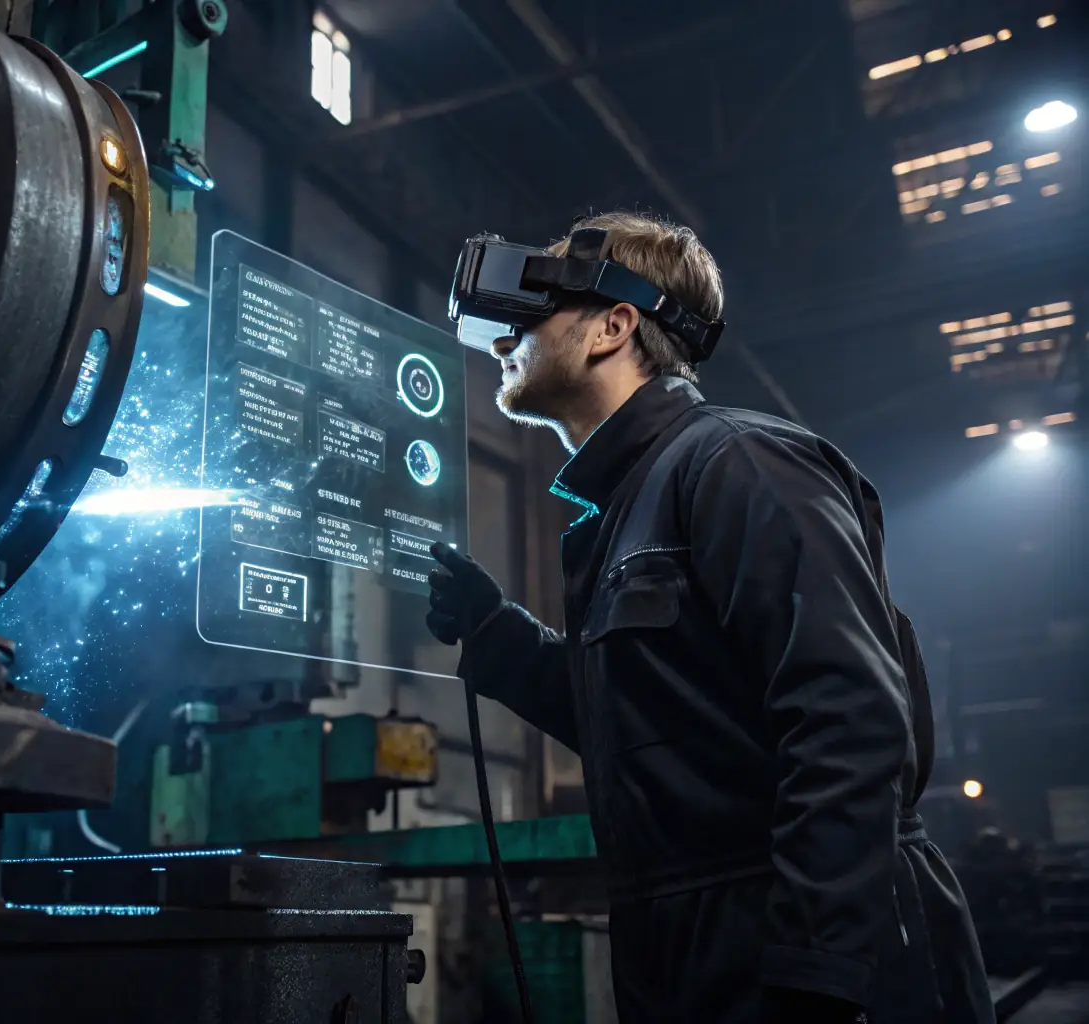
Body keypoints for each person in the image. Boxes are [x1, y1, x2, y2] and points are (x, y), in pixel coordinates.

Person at [425, 211, 995, 1023]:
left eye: (532, 313)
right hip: (690, 943)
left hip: (806, 939)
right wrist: (499, 638)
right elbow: (658, 728)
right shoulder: (625, 508)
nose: (499, 341)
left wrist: (814, 970)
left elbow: (852, 722)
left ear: (612, 326)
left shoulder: (736, 462)